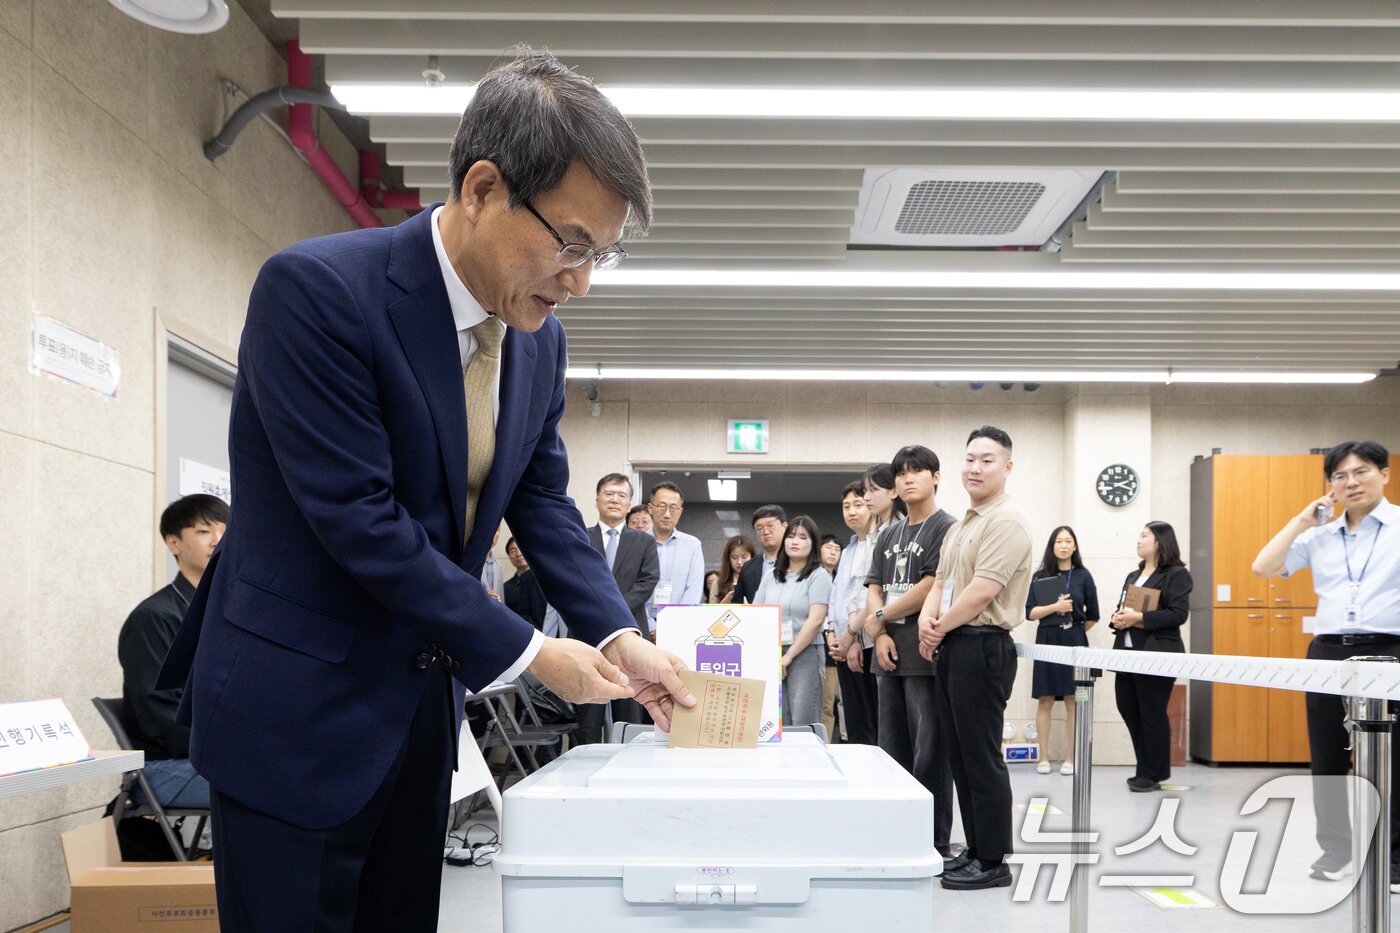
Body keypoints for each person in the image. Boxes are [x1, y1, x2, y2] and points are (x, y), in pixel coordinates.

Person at [155, 49, 695, 933]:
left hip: (415, 716)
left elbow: (542, 500)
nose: (581, 281)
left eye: (603, 254)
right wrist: (531, 652)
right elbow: (360, 520)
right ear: (482, 188)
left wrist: (617, 632)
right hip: (294, 712)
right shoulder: (319, 293)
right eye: (569, 244)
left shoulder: (536, 341)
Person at [1252, 440, 1397, 884]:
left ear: (1384, 474)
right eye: (1340, 476)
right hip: (1329, 651)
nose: (1351, 482)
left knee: (1395, 756)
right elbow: (1263, 567)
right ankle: (1337, 849)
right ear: (1330, 485)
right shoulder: (1319, 536)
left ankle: (1393, 855)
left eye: (1362, 471)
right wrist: (1301, 520)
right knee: (1328, 754)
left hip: (1390, 649)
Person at [919, 426, 1033, 891]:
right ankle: (975, 847)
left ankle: (993, 859)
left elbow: (983, 591)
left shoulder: (1006, 520)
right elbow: (940, 583)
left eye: (987, 460)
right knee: (961, 756)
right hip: (954, 642)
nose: (975, 468)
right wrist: (928, 623)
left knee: (981, 756)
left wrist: (939, 628)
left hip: (982, 645)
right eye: (970, 459)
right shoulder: (962, 524)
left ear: (1007, 467)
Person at [863, 447, 956, 860]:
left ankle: (933, 839)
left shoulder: (946, 528)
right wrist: (880, 632)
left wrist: (879, 616)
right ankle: (896, 832)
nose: (907, 479)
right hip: (888, 653)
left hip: (924, 656)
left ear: (936, 476)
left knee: (930, 751)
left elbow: (931, 585)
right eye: (901, 473)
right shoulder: (889, 534)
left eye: (917, 471)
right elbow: (874, 586)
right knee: (891, 751)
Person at [118, 494, 227, 810]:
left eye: (225, 531)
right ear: (173, 543)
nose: (218, 541)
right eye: (204, 531)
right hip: (165, 767)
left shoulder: (223, 611)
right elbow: (161, 716)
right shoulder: (154, 617)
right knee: (284, 784)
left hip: (213, 756)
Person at [1109, 522, 1191, 793]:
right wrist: (1119, 617)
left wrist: (1140, 618)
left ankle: (1150, 773)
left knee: (1152, 713)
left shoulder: (1176, 574)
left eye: (1144, 535)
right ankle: (1146, 768)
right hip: (1127, 653)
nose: (1139, 540)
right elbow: (1124, 607)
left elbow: (1178, 614)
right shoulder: (1133, 575)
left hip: (1157, 653)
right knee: (1128, 708)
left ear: (1160, 541)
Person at [582, 473, 661, 739]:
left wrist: (612, 611)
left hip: (631, 635)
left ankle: (631, 763)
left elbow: (648, 581)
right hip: (587, 635)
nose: (615, 499)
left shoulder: (644, 541)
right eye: (609, 494)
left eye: (622, 495)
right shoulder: (580, 537)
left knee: (630, 711)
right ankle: (586, 762)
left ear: (629, 504)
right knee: (588, 714)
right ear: (597, 501)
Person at [836, 464, 906, 743]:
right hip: (863, 634)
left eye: (871, 490)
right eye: (864, 491)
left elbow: (878, 591)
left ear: (893, 492)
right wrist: (852, 634)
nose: (866, 498)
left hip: (886, 633)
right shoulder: (873, 533)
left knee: (888, 727)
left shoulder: (898, 530)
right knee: (865, 724)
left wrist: (851, 632)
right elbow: (858, 591)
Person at [1025, 526, 1099, 775]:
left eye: (1068, 541)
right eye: (1059, 541)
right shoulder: (1040, 576)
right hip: (1047, 638)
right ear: (1052, 546)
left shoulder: (1083, 576)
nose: (1064, 545)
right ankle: (1044, 758)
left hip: (1074, 639)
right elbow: (1030, 613)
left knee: (1073, 699)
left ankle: (1070, 758)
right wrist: (1054, 607)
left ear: (1075, 546)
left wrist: (1073, 630)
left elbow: (1093, 615)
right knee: (1045, 699)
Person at [754, 516, 832, 727]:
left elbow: (816, 619)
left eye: (803, 537)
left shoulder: (818, 575)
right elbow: (757, 613)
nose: (795, 541)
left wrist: (788, 657)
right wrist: (772, 655)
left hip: (805, 653)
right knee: (779, 722)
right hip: (773, 653)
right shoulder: (771, 575)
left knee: (803, 722)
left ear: (813, 544)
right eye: (791, 536)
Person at [828, 481, 877, 745]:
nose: (852, 512)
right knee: (855, 722)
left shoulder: (877, 543)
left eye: (858, 505)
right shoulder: (847, 550)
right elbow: (836, 597)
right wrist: (831, 633)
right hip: (843, 644)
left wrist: (854, 638)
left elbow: (869, 597)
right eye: (846, 506)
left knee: (873, 724)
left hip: (865, 643)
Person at [646, 481, 705, 629]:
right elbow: (631, 589)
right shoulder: (637, 543)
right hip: (642, 626)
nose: (667, 514)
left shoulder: (693, 545)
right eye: (662, 507)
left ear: (680, 511)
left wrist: (672, 625)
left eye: (673, 508)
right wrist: (650, 626)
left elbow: (694, 590)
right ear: (650, 508)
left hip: (679, 626)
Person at [729, 505, 787, 604]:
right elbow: (737, 602)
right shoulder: (748, 567)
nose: (766, 532)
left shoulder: (796, 561)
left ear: (785, 526)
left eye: (770, 526)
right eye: (759, 528)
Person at [818, 533, 844, 740]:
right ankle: (823, 742)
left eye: (837, 549)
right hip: (821, 646)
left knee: (841, 701)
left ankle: (845, 738)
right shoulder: (814, 577)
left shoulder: (842, 579)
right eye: (828, 547)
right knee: (825, 704)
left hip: (844, 644)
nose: (833, 552)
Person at [501, 536, 547, 631]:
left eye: (521, 548)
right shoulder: (506, 588)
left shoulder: (544, 579)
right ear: (509, 556)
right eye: (513, 551)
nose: (518, 554)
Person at [715, 535, 756, 604]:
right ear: (728, 559)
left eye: (744, 557)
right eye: (734, 557)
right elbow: (711, 610)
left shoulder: (761, 579)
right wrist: (726, 600)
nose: (739, 562)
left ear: (752, 557)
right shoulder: (718, 583)